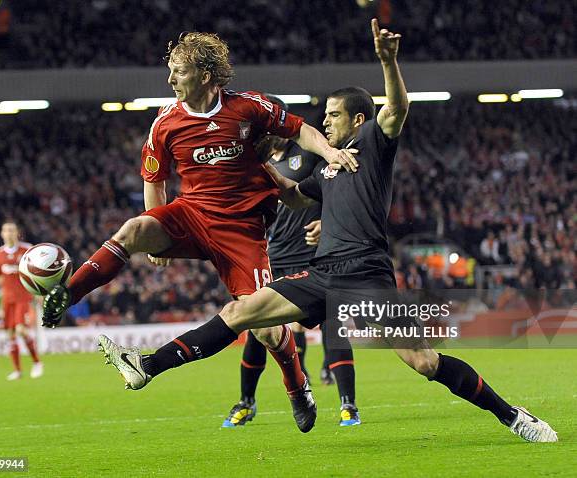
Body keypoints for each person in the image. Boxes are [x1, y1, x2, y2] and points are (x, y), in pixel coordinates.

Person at [98, 18, 558, 443]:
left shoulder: (374, 145)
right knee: (241, 313)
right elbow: (296, 197)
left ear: (357, 119)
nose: (325, 123)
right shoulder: (327, 170)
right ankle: (147, 365)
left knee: (423, 361)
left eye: (334, 116)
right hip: (322, 273)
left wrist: (387, 61)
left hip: (366, 275)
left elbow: (396, 108)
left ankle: (513, 416)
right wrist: (259, 171)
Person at [42, 31, 358, 433]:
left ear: (207, 75)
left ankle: (297, 385)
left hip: (242, 231)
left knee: (264, 327)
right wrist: (159, 232)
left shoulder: (248, 108)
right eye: (170, 71)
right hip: (191, 216)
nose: (172, 81)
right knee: (134, 229)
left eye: (180, 72)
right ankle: (67, 294)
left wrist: (330, 152)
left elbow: (299, 130)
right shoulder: (165, 122)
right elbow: (153, 180)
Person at [222, 97, 360, 428]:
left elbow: (337, 183)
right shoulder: (256, 161)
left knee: (332, 324)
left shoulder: (311, 151)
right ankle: (246, 402)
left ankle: (348, 405)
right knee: (257, 328)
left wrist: (330, 221)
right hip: (274, 255)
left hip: (314, 254)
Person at [0, 221, 43, 380]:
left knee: (21, 330)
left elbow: (36, 273)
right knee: (10, 334)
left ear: (17, 233)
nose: (8, 233)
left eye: (11, 230)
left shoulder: (27, 249)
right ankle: (17, 370)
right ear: (2, 234)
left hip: (23, 297)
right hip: (7, 298)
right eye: (6, 230)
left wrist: (39, 292)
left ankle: (37, 362)